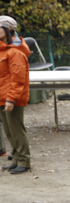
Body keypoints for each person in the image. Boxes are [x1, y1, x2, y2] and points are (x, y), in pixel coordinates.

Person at [0, 15, 32, 174]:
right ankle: (16, 159)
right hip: (2, 98)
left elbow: (18, 79)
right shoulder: (2, 50)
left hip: (12, 99)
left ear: (8, 29)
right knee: (9, 131)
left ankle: (24, 161)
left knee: (17, 130)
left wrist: (11, 99)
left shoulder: (15, 52)